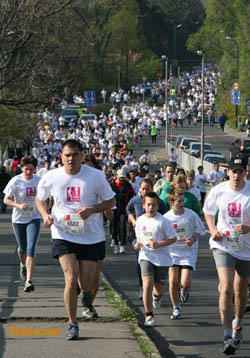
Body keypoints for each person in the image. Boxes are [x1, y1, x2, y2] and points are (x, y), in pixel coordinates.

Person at [35, 139, 115, 340]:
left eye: (75, 154)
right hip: (63, 232)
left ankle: (86, 295)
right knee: (71, 279)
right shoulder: (52, 177)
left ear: (81, 155)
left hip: (90, 235)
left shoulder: (95, 176)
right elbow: (40, 199)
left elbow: (111, 200)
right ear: (60, 156)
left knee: (86, 283)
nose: (71, 159)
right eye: (67, 155)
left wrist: (93, 209)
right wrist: (45, 215)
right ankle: (73, 323)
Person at [203, 156, 250, 355]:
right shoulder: (219, 190)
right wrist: (213, 229)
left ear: (245, 172)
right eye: (233, 171)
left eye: (240, 171)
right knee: (227, 288)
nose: (237, 175)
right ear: (227, 172)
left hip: (246, 248)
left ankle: (237, 324)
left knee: (241, 293)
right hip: (223, 245)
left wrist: (248, 227)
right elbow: (208, 211)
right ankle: (226, 335)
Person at [134, 192, 176, 327]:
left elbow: (173, 238)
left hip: (162, 258)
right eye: (148, 205)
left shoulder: (163, 221)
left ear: (158, 206)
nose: (151, 207)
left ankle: (156, 297)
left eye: (154, 205)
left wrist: (159, 244)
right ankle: (148, 315)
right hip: (146, 256)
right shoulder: (140, 220)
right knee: (147, 284)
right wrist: (137, 244)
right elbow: (139, 237)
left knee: (159, 289)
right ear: (144, 205)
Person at [164, 189, 205, 319]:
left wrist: (193, 238)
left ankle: (184, 290)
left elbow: (201, 230)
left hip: (188, 252)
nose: (182, 203)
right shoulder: (166, 218)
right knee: (172, 281)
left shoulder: (191, 215)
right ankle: (176, 308)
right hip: (172, 252)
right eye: (179, 201)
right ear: (171, 202)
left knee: (185, 283)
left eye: (183, 200)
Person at [3, 156, 42, 291]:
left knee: (31, 247)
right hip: (19, 218)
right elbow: (6, 200)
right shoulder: (16, 181)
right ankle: (23, 264)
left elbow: (47, 196)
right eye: (26, 169)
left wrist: (46, 209)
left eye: (31, 169)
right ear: (21, 168)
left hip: (34, 217)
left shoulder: (39, 180)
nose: (29, 172)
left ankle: (29, 280)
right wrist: (18, 205)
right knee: (22, 248)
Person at [126, 178, 169, 299]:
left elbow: (167, 214)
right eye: (143, 189)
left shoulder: (157, 202)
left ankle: (154, 286)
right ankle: (142, 287)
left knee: (155, 268)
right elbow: (128, 208)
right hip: (138, 236)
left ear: (152, 189)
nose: (145, 191)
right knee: (140, 261)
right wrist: (133, 219)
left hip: (154, 238)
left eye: (147, 189)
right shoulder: (135, 200)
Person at [110, 169, 134, 254]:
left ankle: (122, 244)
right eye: (120, 177)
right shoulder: (112, 185)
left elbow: (132, 196)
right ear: (116, 176)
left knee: (122, 226)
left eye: (123, 177)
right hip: (114, 209)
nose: (122, 179)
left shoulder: (128, 185)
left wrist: (130, 207)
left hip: (124, 209)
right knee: (114, 227)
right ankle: (115, 244)